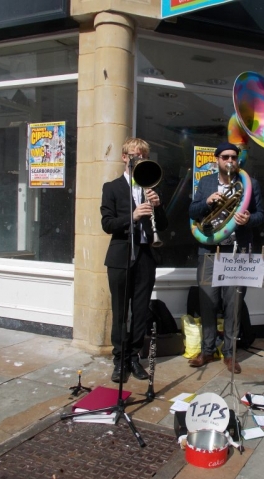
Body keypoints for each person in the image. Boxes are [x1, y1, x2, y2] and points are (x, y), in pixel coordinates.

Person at [188, 142, 264, 374]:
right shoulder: (206, 182)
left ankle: (230, 353)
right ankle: (208, 350)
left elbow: (262, 217)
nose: (230, 161)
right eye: (225, 157)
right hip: (210, 251)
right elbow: (192, 212)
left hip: (236, 252)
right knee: (207, 303)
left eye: (233, 157)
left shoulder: (251, 184)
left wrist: (249, 219)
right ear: (217, 160)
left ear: (238, 160)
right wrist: (206, 203)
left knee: (233, 304)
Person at [101, 137, 169, 383]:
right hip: (120, 257)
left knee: (140, 312)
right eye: (133, 155)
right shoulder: (112, 187)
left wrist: (158, 206)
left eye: (142, 155)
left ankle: (134, 358)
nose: (137, 158)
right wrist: (132, 215)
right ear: (124, 157)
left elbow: (163, 225)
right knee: (120, 312)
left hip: (145, 257)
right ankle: (119, 360)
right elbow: (107, 224)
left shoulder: (150, 188)